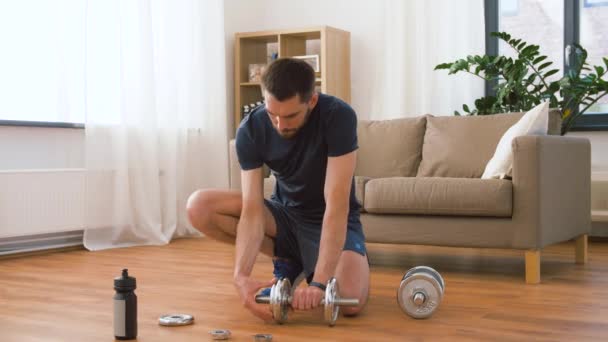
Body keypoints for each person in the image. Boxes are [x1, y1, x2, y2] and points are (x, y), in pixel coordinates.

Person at [186, 58, 369, 322]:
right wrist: (241, 276)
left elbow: (336, 203)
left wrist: (318, 284)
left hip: (330, 218)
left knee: (350, 300)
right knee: (199, 206)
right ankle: (288, 257)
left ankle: (317, 261)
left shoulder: (338, 116)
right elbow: (251, 209)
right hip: (285, 215)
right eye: (273, 114)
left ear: (312, 101)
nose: (280, 125)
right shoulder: (251, 129)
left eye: (291, 115)